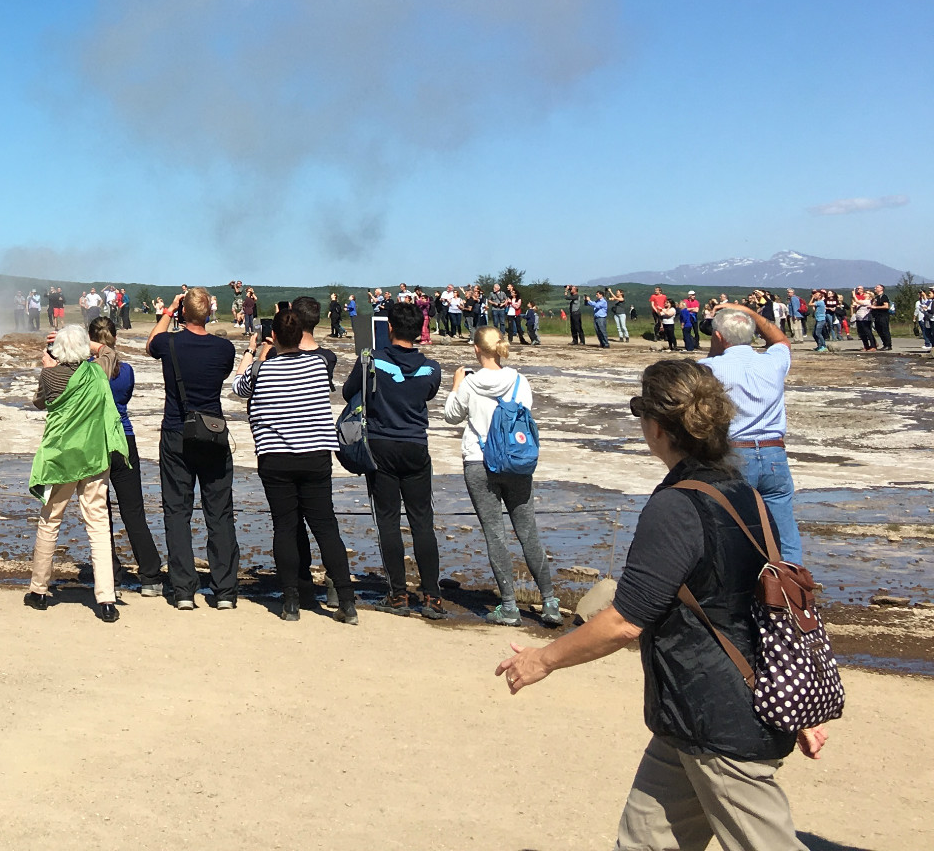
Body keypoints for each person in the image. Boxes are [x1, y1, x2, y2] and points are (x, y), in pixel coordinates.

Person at [497, 359, 826, 849]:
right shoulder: (745, 494)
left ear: (655, 426)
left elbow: (626, 621)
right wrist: (792, 702)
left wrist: (541, 659)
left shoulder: (676, 506)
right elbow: (767, 607)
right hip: (692, 715)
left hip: (719, 720)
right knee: (645, 841)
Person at [238, 306, 357, 622]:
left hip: (275, 457)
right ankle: (346, 601)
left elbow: (240, 388)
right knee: (326, 527)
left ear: (272, 336)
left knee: (285, 527)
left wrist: (253, 353)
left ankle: (291, 601)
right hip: (315, 455)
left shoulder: (263, 369)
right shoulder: (318, 366)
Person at [444, 328, 561, 627]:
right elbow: (525, 414)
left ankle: (508, 605)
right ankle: (550, 602)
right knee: (528, 531)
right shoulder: (520, 381)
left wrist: (456, 386)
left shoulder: (469, 383)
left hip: (479, 462)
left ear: (476, 350)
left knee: (495, 534)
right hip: (516, 463)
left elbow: (452, 415)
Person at [343, 300, 445, 617]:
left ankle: (398, 595)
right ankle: (432, 597)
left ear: (389, 329)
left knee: (387, 521)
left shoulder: (371, 360)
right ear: (420, 331)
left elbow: (349, 392)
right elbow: (427, 393)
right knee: (422, 523)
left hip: (381, 446)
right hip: (415, 446)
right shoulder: (432, 368)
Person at [25, 324, 125, 622]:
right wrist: (87, 345)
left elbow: (40, 401)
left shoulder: (49, 375)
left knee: (50, 521)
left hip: (62, 459)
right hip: (94, 456)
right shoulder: (97, 372)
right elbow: (108, 351)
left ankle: (39, 590)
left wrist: (50, 362)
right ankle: (106, 598)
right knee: (98, 525)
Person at [146, 288, 239, 610]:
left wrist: (169, 310)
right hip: (213, 433)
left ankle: (184, 590)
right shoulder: (225, 348)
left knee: (177, 510)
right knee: (219, 512)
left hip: (176, 431)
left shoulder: (169, 343)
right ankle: (225, 591)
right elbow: (222, 377)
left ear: (184, 313)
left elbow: (149, 343)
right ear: (210, 314)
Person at [699, 303, 802, 568]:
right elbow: (779, 339)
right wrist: (747, 312)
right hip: (773, 454)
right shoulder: (772, 362)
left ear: (719, 337)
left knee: (730, 529)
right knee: (784, 533)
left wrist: (715, 344)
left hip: (734, 453)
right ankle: (791, 591)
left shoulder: (709, 367)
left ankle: (736, 594)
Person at [88, 316, 163, 597]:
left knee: (100, 512)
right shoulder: (128, 371)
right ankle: (151, 576)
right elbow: (124, 399)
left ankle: (111, 578)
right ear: (115, 338)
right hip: (125, 440)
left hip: (96, 441)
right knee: (134, 511)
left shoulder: (86, 372)